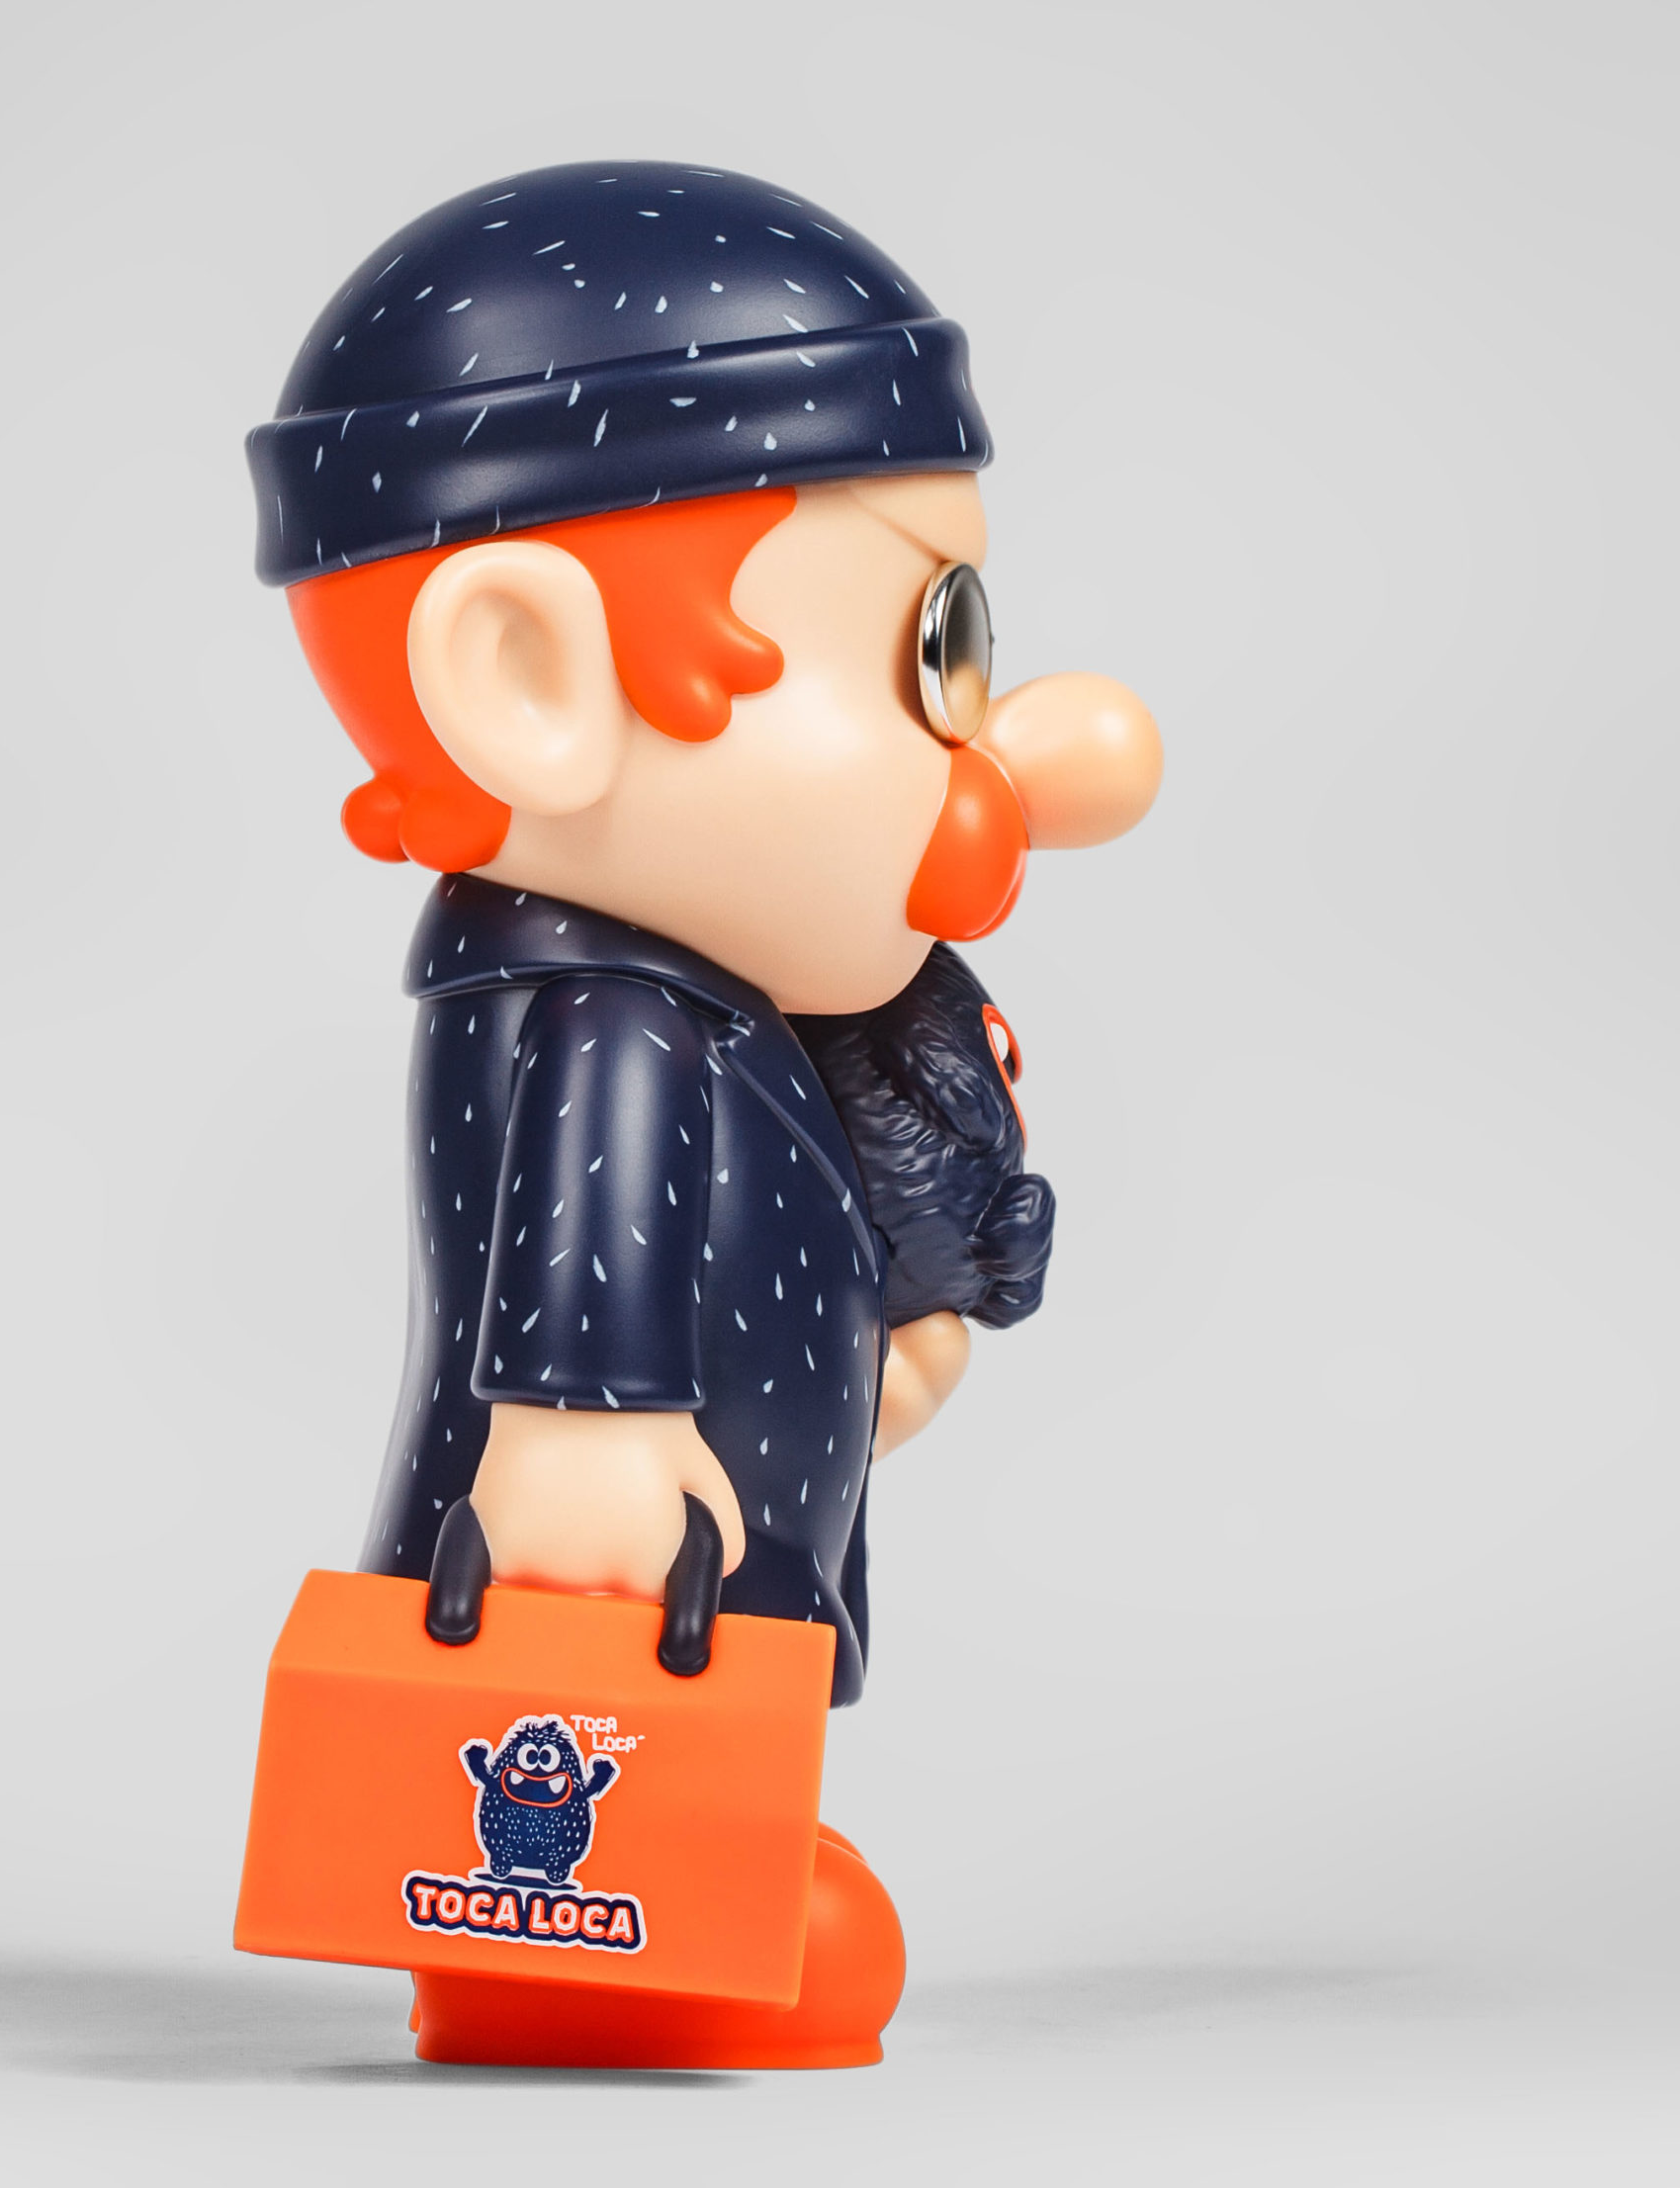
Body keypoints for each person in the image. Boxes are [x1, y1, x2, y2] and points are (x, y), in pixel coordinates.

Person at [247, 160, 1162, 2065]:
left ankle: (627, 1925)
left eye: (967, 644)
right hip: (607, 1535)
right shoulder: (612, 1021)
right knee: (578, 1716)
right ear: (528, 682)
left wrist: (851, 1342)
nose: (1013, 749)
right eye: (928, 653)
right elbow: (591, 1239)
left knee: (673, 1713)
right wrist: (585, 1427)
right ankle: (577, 1954)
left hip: (700, 1527)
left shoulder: (696, 1004)